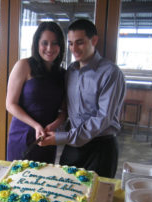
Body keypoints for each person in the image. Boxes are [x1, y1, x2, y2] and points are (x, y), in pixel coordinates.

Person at [39, 19, 126, 178]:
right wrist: (56, 126)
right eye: (71, 43)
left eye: (80, 42)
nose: (74, 49)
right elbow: (67, 108)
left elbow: (103, 118)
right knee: (66, 193)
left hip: (100, 148)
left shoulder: (111, 73)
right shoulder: (70, 71)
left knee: (95, 199)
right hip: (73, 146)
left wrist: (61, 137)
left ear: (94, 40)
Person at [6, 22, 66, 163]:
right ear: (37, 44)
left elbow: (64, 110)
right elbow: (10, 104)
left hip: (47, 138)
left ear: (61, 46)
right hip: (22, 134)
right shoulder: (24, 65)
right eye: (44, 43)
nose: (49, 48)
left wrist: (55, 124)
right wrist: (35, 125)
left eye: (55, 43)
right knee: (17, 180)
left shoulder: (63, 74)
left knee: (44, 180)